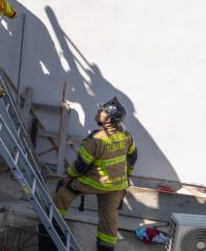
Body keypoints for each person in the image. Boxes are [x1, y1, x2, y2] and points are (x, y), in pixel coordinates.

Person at [44, 97, 137, 251]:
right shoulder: (126, 136)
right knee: (109, 215)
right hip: (118, 185)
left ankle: (50, 227)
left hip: (97, 182)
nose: (98, 111)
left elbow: (81, 165)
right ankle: (105, 247)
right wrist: (128, 176)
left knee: (63, 192)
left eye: (102, 111)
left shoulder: (96, 139)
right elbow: (133, 156)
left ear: (108, 119)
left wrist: (69, 177)